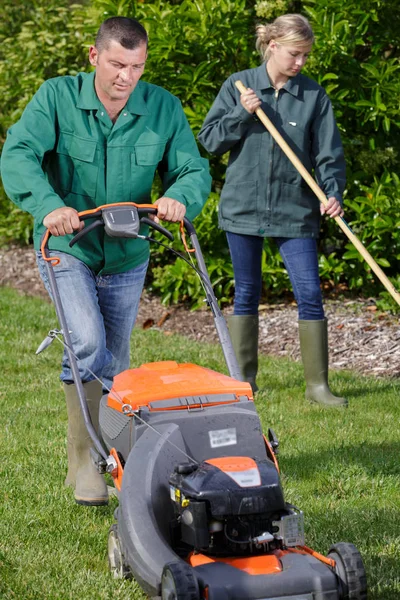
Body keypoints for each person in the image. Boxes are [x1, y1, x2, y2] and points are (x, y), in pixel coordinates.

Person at [1, 17, 211, 505]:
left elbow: (191, 167)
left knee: (114, 363)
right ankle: (83, 461)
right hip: (67, 246)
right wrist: (48, 205)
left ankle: (107, 459)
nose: (127, 77)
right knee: (87, 341)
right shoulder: (56, 97)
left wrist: (180, 195)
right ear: (94, 56)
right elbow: (19, 153)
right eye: (117, 64)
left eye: (137, 66)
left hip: (127, 250)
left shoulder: (161, 106)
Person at [198, 13, 347, 406]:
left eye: (305, 57)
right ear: (273, 45)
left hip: (295, 210)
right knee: (246, 292)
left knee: (310, 293)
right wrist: (240, 112)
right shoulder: (239, 85)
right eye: (295, 54)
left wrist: (332, 193)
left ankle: (318, 387)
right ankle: (243, 383)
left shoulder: (313, 96)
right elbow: (210, 141)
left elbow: (330, 155)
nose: (300, 63)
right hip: (243, 206)